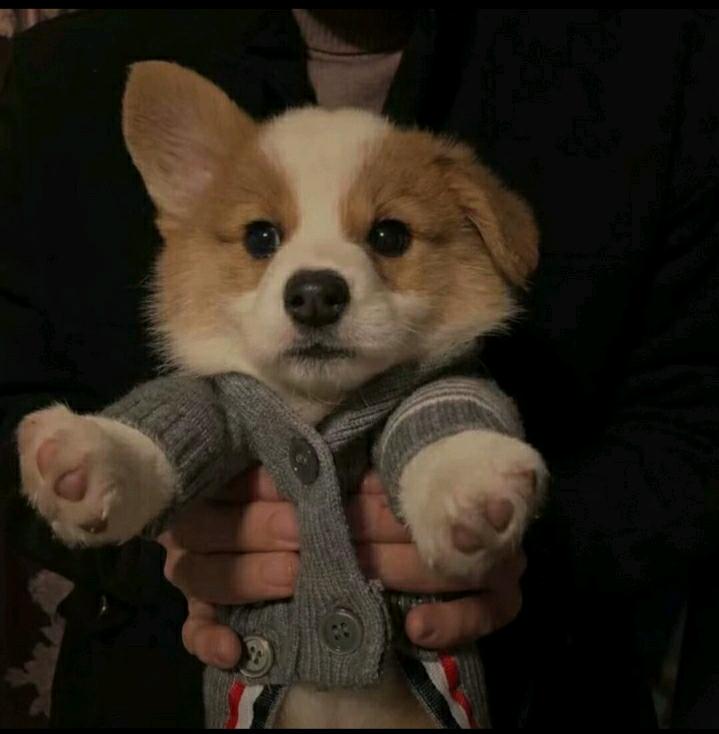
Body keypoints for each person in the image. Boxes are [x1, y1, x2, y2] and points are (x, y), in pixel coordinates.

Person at [1, 9, 717, 728]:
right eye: (262, 236)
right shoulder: (62, 72)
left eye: (387, 234)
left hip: (539, 692)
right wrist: (142, 511)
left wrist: (525, 537)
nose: (315, 289)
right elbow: (54, 408)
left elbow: (690, 423)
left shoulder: (665, 52)